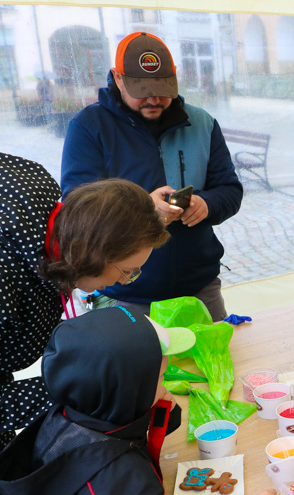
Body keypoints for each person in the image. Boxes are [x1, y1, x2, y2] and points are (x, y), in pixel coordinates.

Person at [0, 151, 168, 495]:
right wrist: (63, 388)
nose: (123, 282)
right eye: (126, 271)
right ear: (96, 253)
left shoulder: (50, 247)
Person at [0, 307, 283, 495]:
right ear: (130, 394)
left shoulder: (66, 419)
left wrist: (150, 409)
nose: (166, 383)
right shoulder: (120, 478)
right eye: (161, 376)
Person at [61, 31, 243, 322]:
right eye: (141, 89)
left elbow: (230, 190)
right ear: (117, 78)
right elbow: (77, 207)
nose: (153, 99)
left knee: (212, 365)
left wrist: (206, 204)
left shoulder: (202, 123)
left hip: (199, 289)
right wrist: (142, 209)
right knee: (138, 369)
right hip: (124, 294)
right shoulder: (88, 127)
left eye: (161, 88)